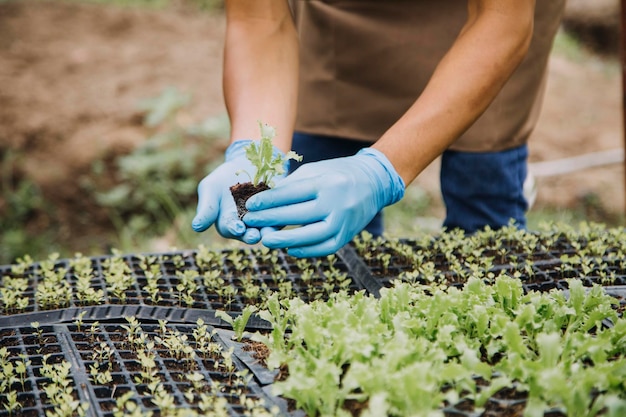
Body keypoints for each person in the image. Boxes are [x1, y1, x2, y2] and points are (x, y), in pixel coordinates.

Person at [192, 0, 566, 258]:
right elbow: (260, 21)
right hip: (345, 20)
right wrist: (254, 150)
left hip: (489, 25)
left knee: (483, 212)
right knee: (326, 253)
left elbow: (503, 21)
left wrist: (379, 172)